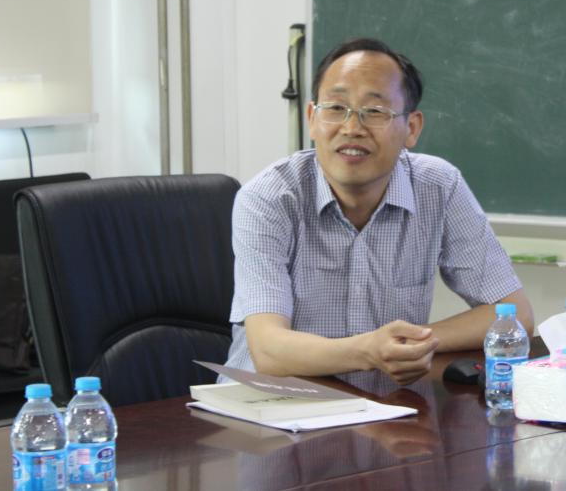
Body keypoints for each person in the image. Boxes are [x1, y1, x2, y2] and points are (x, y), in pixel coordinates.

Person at [224, 38, 533, 385]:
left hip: (381, 406)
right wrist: (371, 351)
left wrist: (410, 344)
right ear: (312, 118)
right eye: (335, 108)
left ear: (411, 128)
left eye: (374, 111)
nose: (351, 128)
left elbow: (515, 315)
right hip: (269, 405)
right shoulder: (268, 198)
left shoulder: (439, 187)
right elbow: (268, 350)